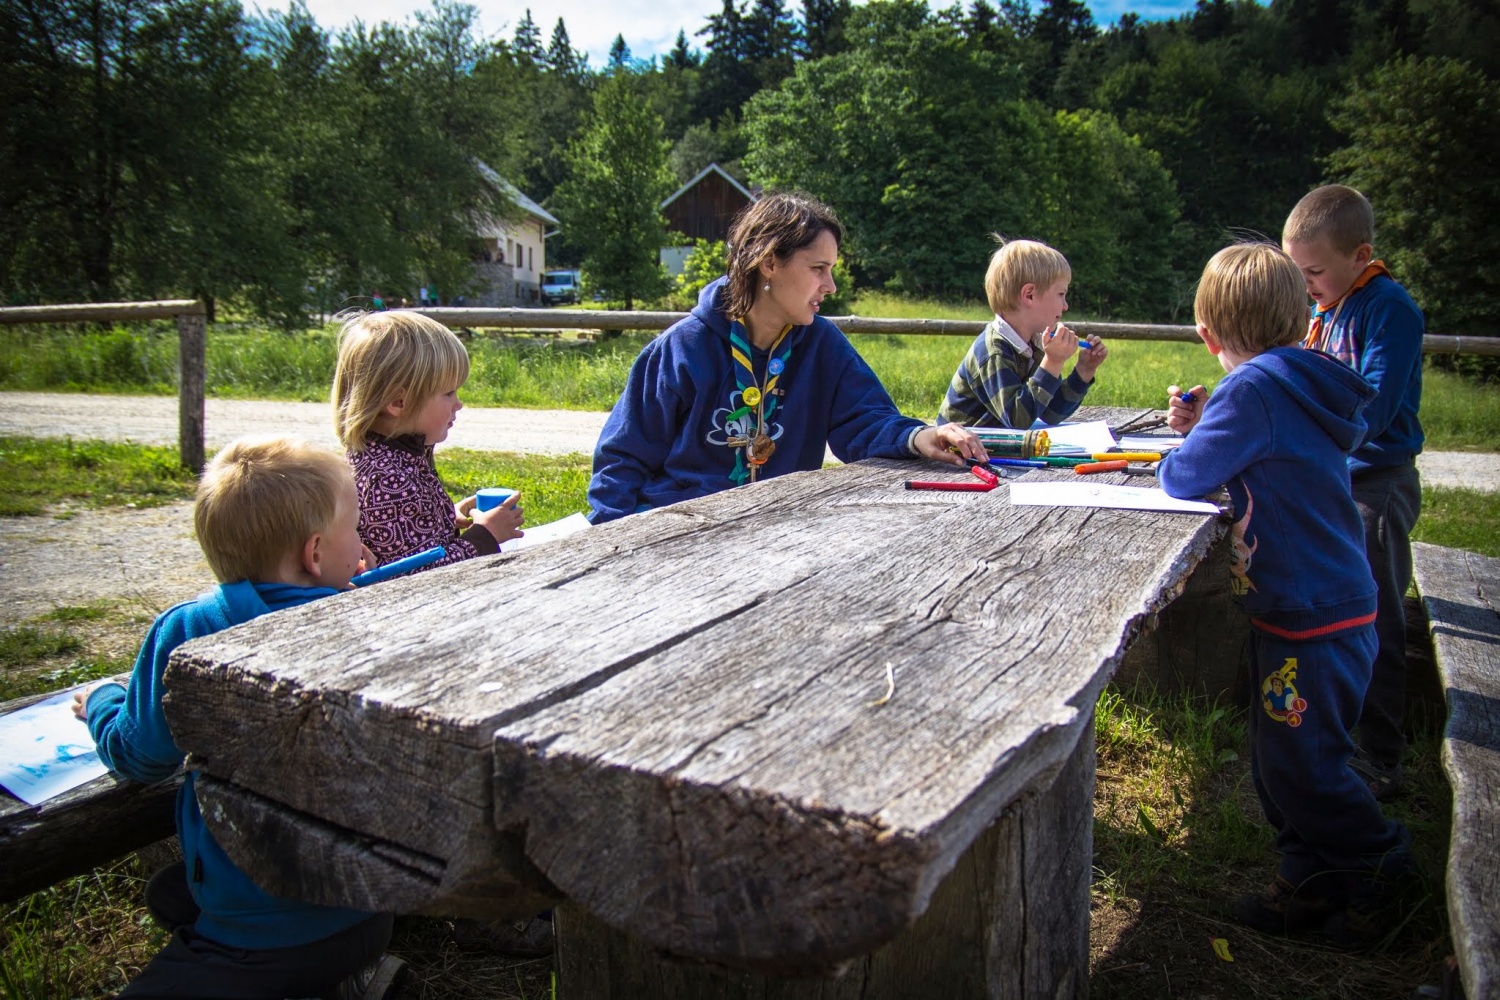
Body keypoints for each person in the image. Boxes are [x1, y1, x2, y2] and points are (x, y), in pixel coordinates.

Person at [71, 436, 405, 998]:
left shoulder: (187, 630)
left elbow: (141, 756)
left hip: (264, 933)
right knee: (167, 893)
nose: (365, 542)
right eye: (357, 528)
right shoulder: (366, 620)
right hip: (369, 907)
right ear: (316, 553)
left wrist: (103, 704)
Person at [1158, 243, 1415, 948]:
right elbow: (1260, 444)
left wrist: (1185, 443)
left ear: (1208, 335)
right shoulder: (1300, 378)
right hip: (1321, 609)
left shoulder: (1254, 390)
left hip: (1310, 616)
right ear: (1302, 318)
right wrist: (1212, 425)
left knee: (1304, 764)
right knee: (1282, 760)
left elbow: (1184, 478)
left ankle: (1383, 869)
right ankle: (1310, 881)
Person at [587, 192, 986, 523]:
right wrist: (613, 543)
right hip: (683, 530)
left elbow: (864, 420)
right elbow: (621, 460)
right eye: (818, 268)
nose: (829, 286)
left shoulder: (822, 344)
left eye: (831, 270)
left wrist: (920, 436)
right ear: (770, 263)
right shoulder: (682, 348)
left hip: (779, 526)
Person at [1283, 184, 1425, 801]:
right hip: (1334, 479)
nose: (1305, 283)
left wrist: (1301, 431)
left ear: (1361, 254)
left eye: (1313, 271)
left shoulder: (1387, 309)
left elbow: (1373, 407)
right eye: (1298, 272)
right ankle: (1330, 726)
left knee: (1375, 613)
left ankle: (1381, 753)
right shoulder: (1326, 309)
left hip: (1378, 483)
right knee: (1332, 604)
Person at [332, 311, 523, 569]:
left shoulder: (395, 456)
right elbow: (415, 573)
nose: (459, 404)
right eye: (448, 393)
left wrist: (443, 518)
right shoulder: (387, 480)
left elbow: (410, 538)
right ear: (398, 402)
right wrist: (485, 535)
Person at [936, 238, 1108, 428]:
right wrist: (1054, 361)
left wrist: (1083, 371)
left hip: (989, 448)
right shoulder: (993, 351)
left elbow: (1050, 412)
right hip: (954, 452)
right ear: (1029, 295)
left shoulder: (1032, 344)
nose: (1065, 305)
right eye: (1061, 294)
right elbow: (1018, 419)